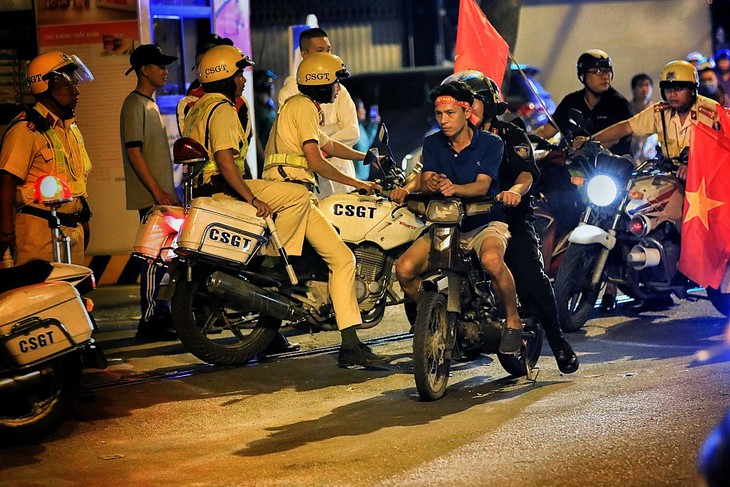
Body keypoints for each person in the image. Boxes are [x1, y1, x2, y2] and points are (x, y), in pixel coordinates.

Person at [263, 51, 387, 367]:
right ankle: (349, 345)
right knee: (343, 258)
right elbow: (316, 160)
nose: (338, 88)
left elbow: (328, 146)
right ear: (322, 84)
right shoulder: (303, 107)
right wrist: (358, 184)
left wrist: (366, 158)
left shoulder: (300, 108)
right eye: (335, 82)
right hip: (293, 192)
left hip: (289, 191)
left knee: (313, 260)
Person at [449, 71, 578, 372]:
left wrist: (515, 192)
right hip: (463, 219)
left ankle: (558, 342)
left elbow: (525, 173)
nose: (465, 109)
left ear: (489, 105)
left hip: (509, 218)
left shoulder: (512, 134)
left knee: (532, 279)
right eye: (460, 103)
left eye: (471, 102)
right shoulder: (451, 138)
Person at [391, 81, 524, 354]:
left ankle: (513, 319)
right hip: (445, 224)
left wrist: (454, 188)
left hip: (484, 222)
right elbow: (427, 177)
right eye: (439, 114)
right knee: (404, 269)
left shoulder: (491, 143)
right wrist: (426, 184)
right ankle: (436, 319)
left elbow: (482, 186)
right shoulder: (433, 143)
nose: (444, 120)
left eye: (450, 113)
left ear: (467, 112)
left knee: (491, 259)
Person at [579, 60, 721, 312]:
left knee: (698, 221)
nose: (673, 94)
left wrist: (697, 163)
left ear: (693, 89)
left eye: (680, 88)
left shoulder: (711, 112)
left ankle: (696, 264)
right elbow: (626, 127)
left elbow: (723, 145)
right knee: (634, 205)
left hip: (705, 179)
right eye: (668, 88)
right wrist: (589, 141)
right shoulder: (659, 112)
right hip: (669, 173)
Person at [0, 51, 94, 265]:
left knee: (73, 295)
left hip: (72, 229)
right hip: (39, 232)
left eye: (75, 84)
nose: (76, 91)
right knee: (40, 294)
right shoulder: (26, 129)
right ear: (45, 86)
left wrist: (84, 218)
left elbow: (75, 182)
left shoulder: (70, 128)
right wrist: (5, 231)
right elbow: (7, 179)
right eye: (68, 85)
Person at [120, 44, 181, 342]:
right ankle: (149, 321)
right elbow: (135, 153)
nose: (165, 70)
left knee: (163, 258)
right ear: (145, 69)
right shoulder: (134, 105)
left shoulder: (150, 104)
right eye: (159, 65)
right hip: (151, 198)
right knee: (154, 259)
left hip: (160, 197)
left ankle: (160, 313)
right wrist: (158, 191)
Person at [278, 28, 359, 198]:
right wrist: (334, 128)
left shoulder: (340, 90)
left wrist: (320, 141)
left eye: (329, 50)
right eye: (320, 51)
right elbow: (301, 140)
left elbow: (352, 132)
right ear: (304, 54)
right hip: (308, 180)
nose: (327, 55)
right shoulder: (292, 95)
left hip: (341, 177)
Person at [533, 49, 633, 156]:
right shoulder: (571, 101)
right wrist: (526, 141)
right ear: (582, 75)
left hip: (611, 165)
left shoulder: (618, 103)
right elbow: (546, 131)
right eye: (598, 71)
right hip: (577, 167)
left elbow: (614, 139)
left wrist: (586, 148)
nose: (605, 76)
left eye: (607, 71)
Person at [253, 69, 278, 176]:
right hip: (263, 157)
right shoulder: (257, 109)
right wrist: (262, 157)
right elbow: (256, 135)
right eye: (271, 84)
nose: (273, 88)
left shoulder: (269, 105)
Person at [629, 73, 658, 161]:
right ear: (634, 89)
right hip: (631, 157)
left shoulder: (657, 110)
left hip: (652, 159)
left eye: (647, 85)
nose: (644, 89)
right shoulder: (627, 109)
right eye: (640, 86)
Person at [352, 97, 379, 180]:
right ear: (355, 111)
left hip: (363, 177)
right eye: (362, 108)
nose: (364, 111)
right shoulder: (352, 130)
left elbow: (366, 144)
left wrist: (373, 125)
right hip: (354, 178)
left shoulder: (360, 127)